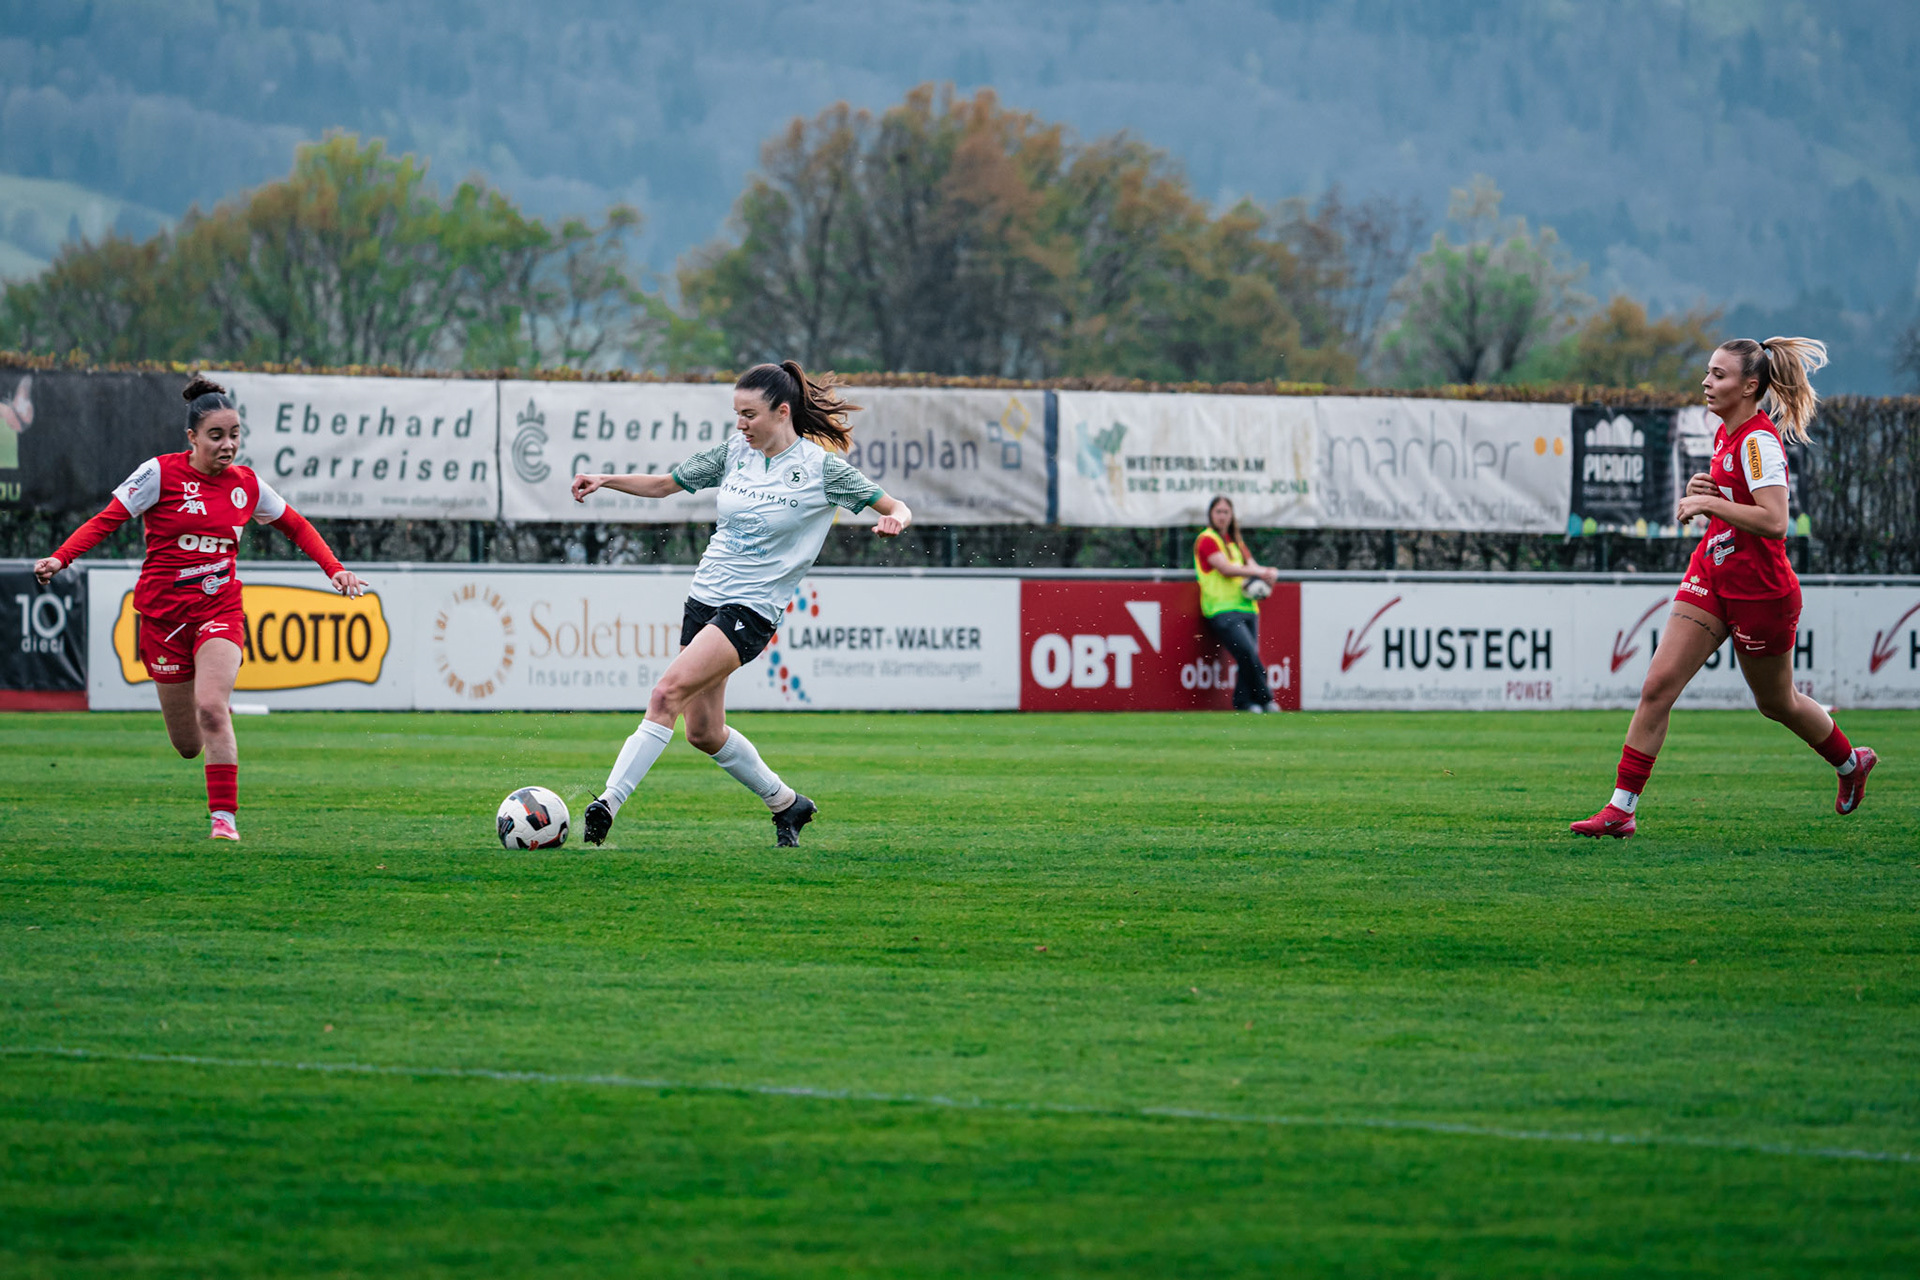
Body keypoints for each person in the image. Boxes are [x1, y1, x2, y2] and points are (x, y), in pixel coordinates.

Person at [569, 361, 910, 847]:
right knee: (704, 732)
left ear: (782, 412)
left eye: (749, 414)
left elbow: (894, 504)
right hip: (703, 600)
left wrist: (896, 519)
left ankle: (608, 803)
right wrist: (604, 479)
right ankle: (788, 805)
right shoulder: (734, 453)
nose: (740, 424)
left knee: (666, 695)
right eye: (736, 414)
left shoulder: (821, 470)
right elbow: (666, 484)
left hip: (751, 609)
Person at [34, 376, 366, 840]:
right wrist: (60, 558)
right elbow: (106, 520)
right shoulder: (159, 474)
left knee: (212, 708)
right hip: (163, 620)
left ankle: (224, 822)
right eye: (216, 436)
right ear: (191, 438)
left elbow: (296, 525)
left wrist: (335, 569)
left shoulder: (247, 485)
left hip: (221, 611)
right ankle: (214, 788)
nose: (227, 445)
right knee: (188, 745)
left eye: (234, 435)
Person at [1572, 337, 1875, 838]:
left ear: (1749, 386)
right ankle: (1620, 810)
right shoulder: (1725, 435)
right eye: (1708, 373)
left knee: (1777, 703)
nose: (1707, 382)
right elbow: (1740, 502)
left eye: (1718, 375)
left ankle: (1850, 764)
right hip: (1712, 573)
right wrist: (1708, 491)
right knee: (1656, 687)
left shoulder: (1758, 441)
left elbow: (1775, 521)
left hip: (1761, 592)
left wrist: (1712, 506)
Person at [1194, 495, 1282, 712]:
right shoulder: (1206, 539)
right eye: (1218, 512)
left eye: (1226, 512)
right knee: (1247, 653)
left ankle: (1244, 702)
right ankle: (1265, 698)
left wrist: (1269, 574)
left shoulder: (1236, 543)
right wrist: (1259, 571)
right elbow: (1226, 569)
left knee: (1248, 655)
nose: (1222, 516)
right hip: (1221, 609)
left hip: (1247, 607)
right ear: (1211, 515)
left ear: (1232, 515)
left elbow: (1253, 565)